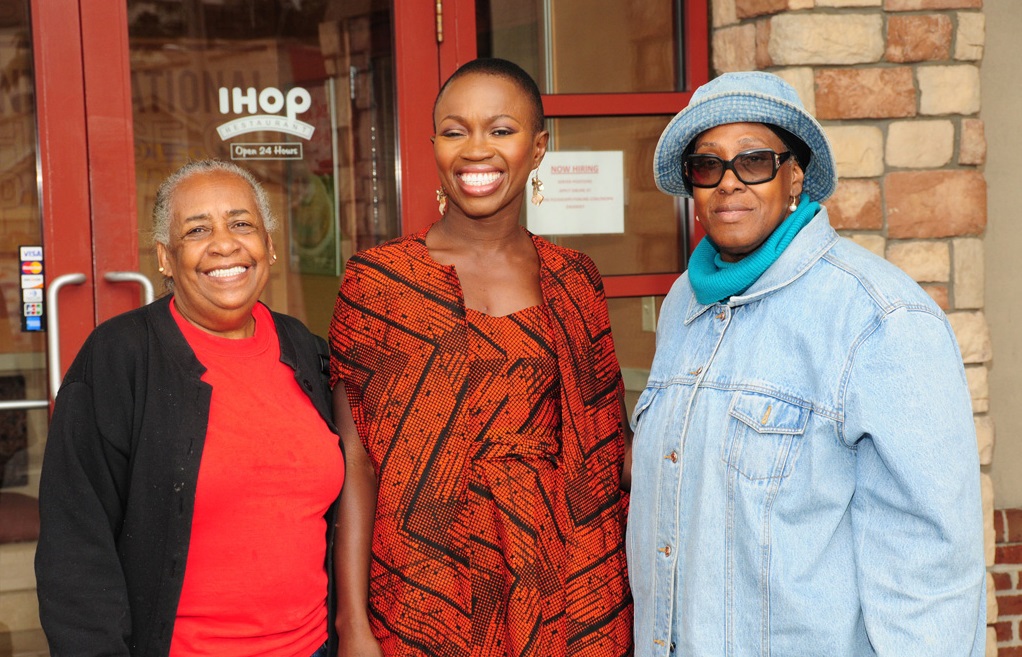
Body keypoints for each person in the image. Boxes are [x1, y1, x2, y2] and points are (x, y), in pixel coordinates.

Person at [626, 71, 986, 656]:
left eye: (755, 161)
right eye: (707, 164)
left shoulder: (879, 317)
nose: (728, 183)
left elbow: (931, 563)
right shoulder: (682, 307)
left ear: (795, 174)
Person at [329, 58, 633, 657]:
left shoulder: (574, 281)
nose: (476, 150)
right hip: (423, 587)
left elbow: (607, 445)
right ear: (434, 145)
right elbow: (356, 461)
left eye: (501, 130)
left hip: (562, 581)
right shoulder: (381, 284)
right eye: (454, 130)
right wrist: (352, 624)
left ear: (539, 147)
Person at [35, 160, 345, 657]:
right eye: (198, 230)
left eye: (242, 224)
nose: (224, 244)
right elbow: (75, 547)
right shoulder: (121, 357)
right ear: (165, 257)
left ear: (269, 245)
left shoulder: (306, 350)